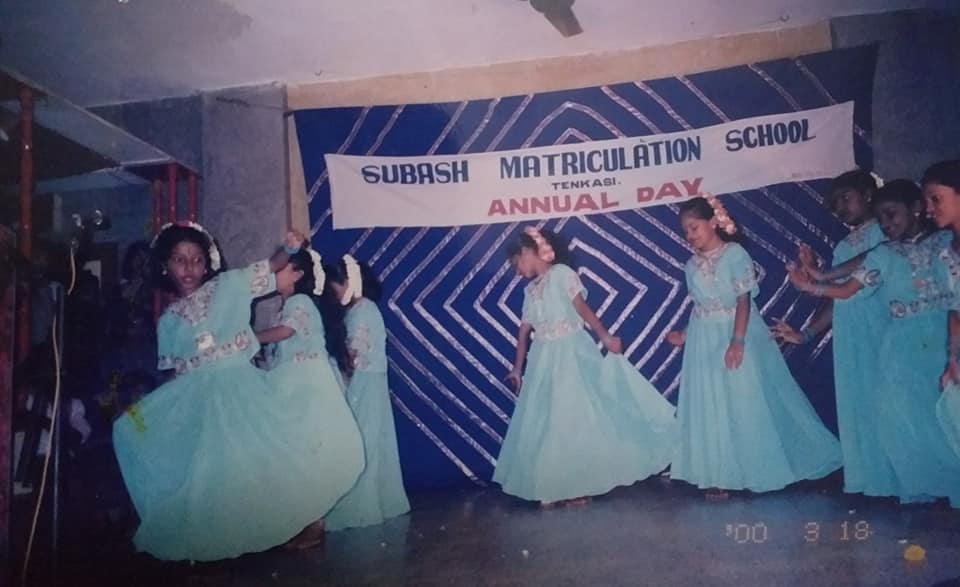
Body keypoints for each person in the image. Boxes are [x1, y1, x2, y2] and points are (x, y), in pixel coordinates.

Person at [112, 222, 354, 560]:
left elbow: (270, 265)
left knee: (265, 456)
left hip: (239, 389)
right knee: (211, 469)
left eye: (197, 259)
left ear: (207, 264)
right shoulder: (169, 320)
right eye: (180, 259)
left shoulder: (227, 286)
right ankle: (226, 533)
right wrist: (154, 412)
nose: (189, 267)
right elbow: (178, 373)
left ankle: (303, 519)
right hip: (201, 400)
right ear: (165, 265)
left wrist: (289, 248)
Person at [789, 180, 960, 505]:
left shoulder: (944, 243)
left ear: (917, 208)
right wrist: (811, 286)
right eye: (881, 219)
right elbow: (847, 291)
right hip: (900, 343)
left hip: (939, 334)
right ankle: (927, 487)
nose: (887, 224)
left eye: (892, 215)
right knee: (899, 414)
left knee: (944, 411)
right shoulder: (883, 254)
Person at [668, 196, 841, 497]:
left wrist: (737, 341)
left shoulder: (734, 254)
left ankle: (757, 469)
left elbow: (743, 300)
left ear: (713, 222)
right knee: (714, 403)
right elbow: (699, 306)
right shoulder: (690, 265)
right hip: (703, 339)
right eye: (685, 231)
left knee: (744, 400)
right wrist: (684, 333)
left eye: (694, 228)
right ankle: (720, 475)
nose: (690, 236)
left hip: (735, 331)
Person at [493, 226, 677, 506]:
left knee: (572, 417)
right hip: (543, 360)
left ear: (528, 251)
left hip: (570, 354)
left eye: (515, 262)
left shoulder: (562, 274)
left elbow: (582, 309)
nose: (516, 271)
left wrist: (606, 337)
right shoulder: (531, 291)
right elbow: (523, 333)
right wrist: (517, 369)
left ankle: (578, 484)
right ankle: (554, 484)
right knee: (548, 421)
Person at [772, 170, 895, 496]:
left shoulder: (886, 231)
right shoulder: (843, 246)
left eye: (845, 198)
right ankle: (876, 480)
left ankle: (904, 476)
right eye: (834, 204)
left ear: (868, 194)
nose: (840, 208)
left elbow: (865, 268)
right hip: (852, 334)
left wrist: (817, 275)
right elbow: (837, 299)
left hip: (882, 327)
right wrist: (806, 335)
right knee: (861, 404)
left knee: (891, 401)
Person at [254, 246, 365, 547]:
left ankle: (314, 523)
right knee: (298, 455)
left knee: (307, 452)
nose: (273, 274)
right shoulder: (285, 305)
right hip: (292, 385)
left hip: (306, 387)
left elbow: (286, 333)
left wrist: (250, 338)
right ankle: (303, 521)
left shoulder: (300, 301)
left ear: (297, 274)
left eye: (280, 269)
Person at [323, 255, 410, 530]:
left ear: (348, 283)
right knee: (369, 441)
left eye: (336, 288)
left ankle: (361, 505)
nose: (336, 295)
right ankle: (373, 502)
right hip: (367, 383)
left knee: (363, 442)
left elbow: (353, 354)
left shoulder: (364, 311)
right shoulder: (358, 310)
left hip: (365, 385)